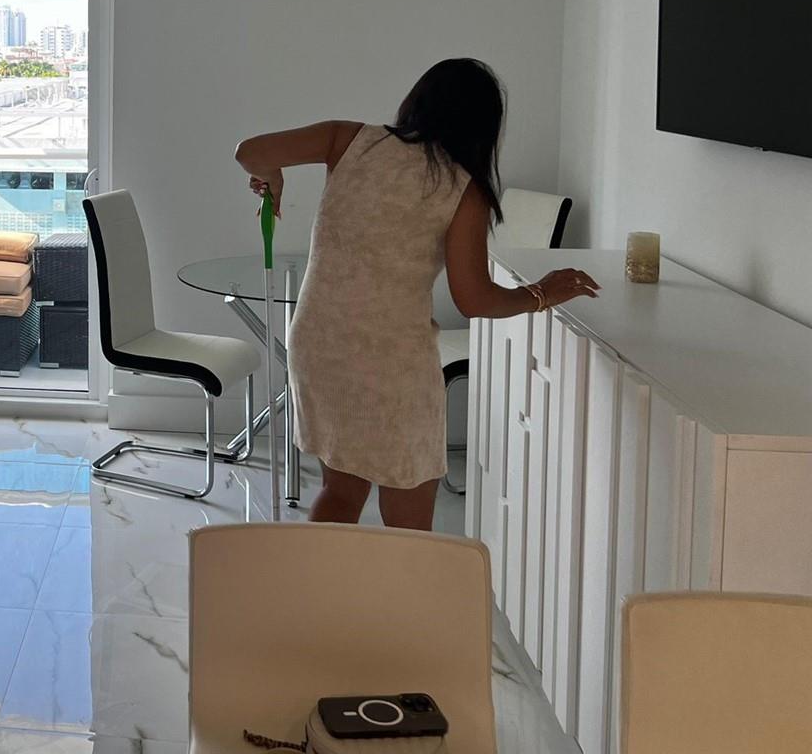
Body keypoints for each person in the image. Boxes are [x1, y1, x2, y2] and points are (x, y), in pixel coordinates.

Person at [234, 57, 599, 530]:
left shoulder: (348, 140)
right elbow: (474, 299)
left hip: (320, 342)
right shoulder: (463, 189)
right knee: (408, 514)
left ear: (417, 101)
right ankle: (397, 583)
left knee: (340, 491)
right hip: (391, 361)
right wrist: (540, 294)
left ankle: (319, 578)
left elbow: (250, 151)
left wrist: (274, 175)